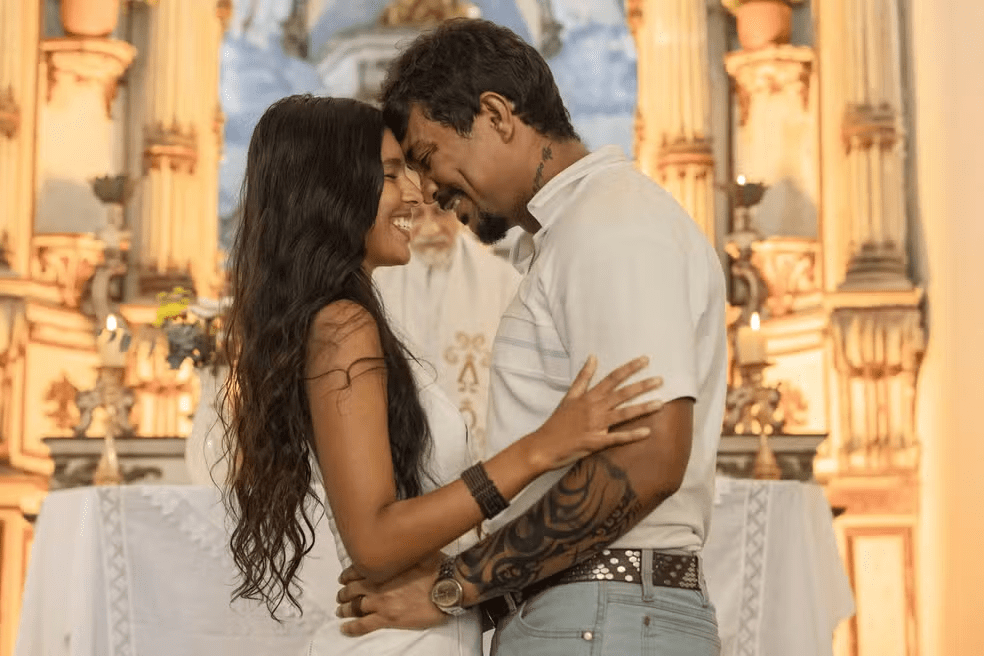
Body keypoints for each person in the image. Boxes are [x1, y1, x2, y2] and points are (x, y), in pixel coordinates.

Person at [335, 19, 728, 656]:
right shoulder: (577, 232)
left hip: (602, 619)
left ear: (496, 115)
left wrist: (457, 585)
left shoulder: (612, 225)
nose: (428, 192)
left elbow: (649, 457)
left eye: (428, 158)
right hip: (589, 613)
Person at [220, 94, 665, 655]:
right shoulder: (342, 326)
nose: (416, 194)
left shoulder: (340, 319)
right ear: (332, 191)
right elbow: (374, 541)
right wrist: (541, 449)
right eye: (390, 175)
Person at [374, 200, 520, 463]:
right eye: (417, 216)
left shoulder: (505, 283)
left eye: (440, 214)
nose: (430, 229)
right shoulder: (378, 285)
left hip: (482, 458)